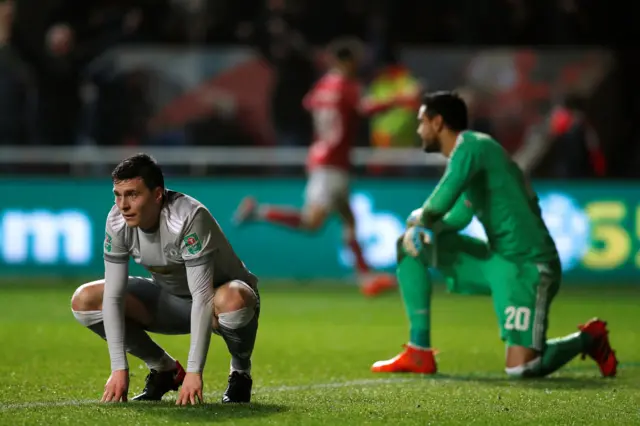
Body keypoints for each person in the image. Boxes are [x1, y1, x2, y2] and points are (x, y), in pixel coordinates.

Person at [371, 91, 618, 378]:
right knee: (408, 246)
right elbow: (459, 217)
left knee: (522, 368)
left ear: (437, 123)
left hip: (528, 266)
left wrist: (422, 218)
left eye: (421, 122)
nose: (418, 129)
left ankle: (588, 339)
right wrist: (424, 228)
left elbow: (443, 198)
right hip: (498, 259)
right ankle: (418, 351)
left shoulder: (472, 147)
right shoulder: (475, 156)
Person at [71, 153, 260, 404]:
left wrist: (195, 371)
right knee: (85, 300)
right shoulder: (117, 221)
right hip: (171, 302)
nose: (123, 205)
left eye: (133, 194)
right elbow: (114, 296)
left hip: (215, 303)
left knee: (234, 299)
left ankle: (240, 372)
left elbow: (203, 297)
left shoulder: (188, 217)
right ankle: (164, 369)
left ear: (157, 194)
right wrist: (119, 368)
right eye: (118, 194)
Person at [234, 38, 413, 297]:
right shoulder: (347, 85)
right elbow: (366, 107)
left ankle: (366, 278)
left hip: (322, 156)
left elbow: (310, 103)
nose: (358, 67)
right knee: (312, 222)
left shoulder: (322, 86)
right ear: (347, 61)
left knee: (349, 219)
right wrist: (400, 99)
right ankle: (258, 212)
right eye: (356, 61)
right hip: (332, 163)